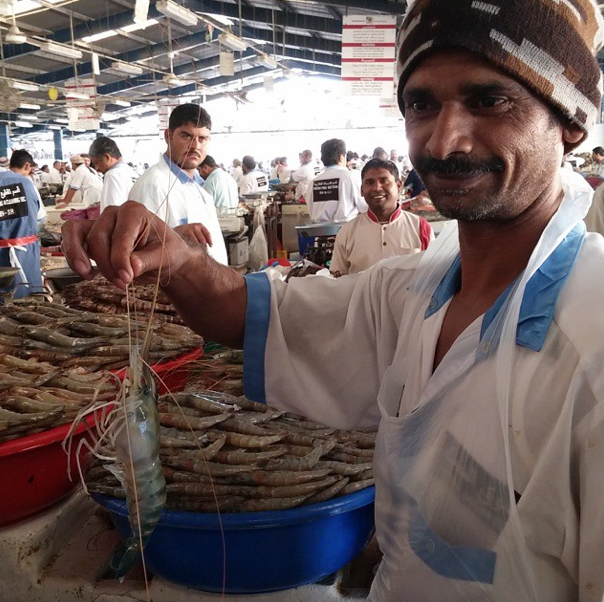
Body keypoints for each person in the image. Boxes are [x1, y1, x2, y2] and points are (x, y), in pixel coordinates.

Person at [62, 1, 604, 600]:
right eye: (421, 103)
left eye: (489, 100)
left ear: (570, 121)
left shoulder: (592, 335)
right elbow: (243, 313)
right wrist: (175, 256)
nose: (445, 140)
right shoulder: (414, 290)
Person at [127, 103, 227, 265]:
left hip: (206, 284)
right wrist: (175, 235)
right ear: (168, 136)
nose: (195, 146)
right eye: (186, 136)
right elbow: (138, 250)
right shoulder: (153, 184)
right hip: (175, 288)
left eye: (202, 138)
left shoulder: (197, 186)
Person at [330, 158, 433, 276]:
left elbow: (432, 277)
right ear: (362, 190)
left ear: (399, 186)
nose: (377, 188)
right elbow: (338, 280)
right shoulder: (347, 232)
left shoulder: (420, 227)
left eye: (384, 181)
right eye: (369, 182)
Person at [0, 149, 44, 298]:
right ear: (27, 165)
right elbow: (40, 217)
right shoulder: (27, 183)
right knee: (30, 303)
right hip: (25, 254)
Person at [306, 138, 367, 223]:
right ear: (342, 157)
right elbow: (365, 207)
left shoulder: (312, 183)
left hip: (318, 233)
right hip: (348, 232)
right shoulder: (352, 177)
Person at [88, 136, 138, 212]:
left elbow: (111, 213)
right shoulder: (129, 170)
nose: (97, 168)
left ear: (107, 157)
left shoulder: (112, 175)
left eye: (97, 163)